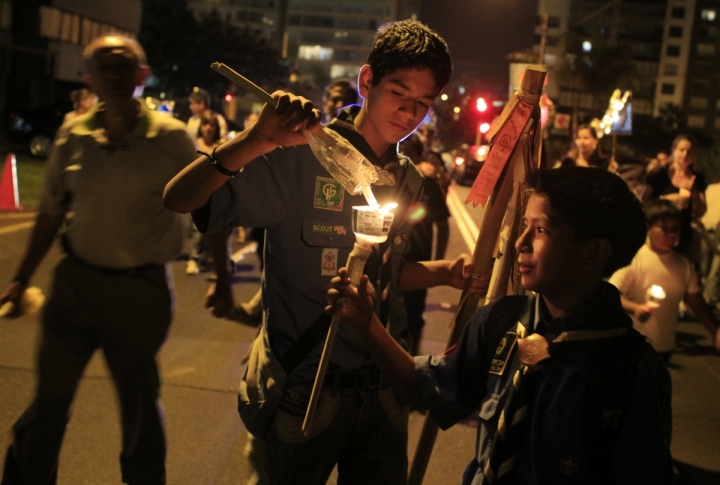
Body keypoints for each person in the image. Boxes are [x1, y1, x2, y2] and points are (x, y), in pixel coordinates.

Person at [164, 20, 472, 484]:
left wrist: (447, 272)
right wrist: (255, 141)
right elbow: (180, 198)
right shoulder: (298, 154)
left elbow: (386, 274)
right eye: (398, 94)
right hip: (305, 394)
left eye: (423, 105)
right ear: (367, 81)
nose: (409, 114)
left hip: (383, 393)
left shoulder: (408, 179)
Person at [330, 166, 674, 484]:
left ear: (592, 254)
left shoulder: (632, 370)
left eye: (540, 230)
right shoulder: (502, 321)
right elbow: (423, 389)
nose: (519, 243)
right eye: (523, 226)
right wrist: (367, 324)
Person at [0, 34, 196, 484]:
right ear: (89, 76)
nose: (112, 73)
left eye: (122, 65)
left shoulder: (172, 139)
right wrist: (21, 277)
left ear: (141, 75)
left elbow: (209, 203)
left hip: (139, 293)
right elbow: (51, 210)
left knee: (139, 405)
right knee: (49, 401)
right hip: (75, 286)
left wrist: (222, 279)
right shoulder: (73, 132)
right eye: (102, 65)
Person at [609, 199, 720, 365]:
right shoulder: (634, 259)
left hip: (664, 348)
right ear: (649, 228)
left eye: (675, 229)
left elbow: (697, 302)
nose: (671, 234)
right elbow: (611, 294)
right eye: (664, 228)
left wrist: (715, 331)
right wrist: (635, 308)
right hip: (631, 345)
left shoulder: (683, 264)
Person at [403, 159, 450, 355]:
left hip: (418, 262)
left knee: (412, 319)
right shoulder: (383, 175)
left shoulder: (427, 184)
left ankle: (408, 367)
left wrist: (436, 265)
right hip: (387, 262)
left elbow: (442, 225)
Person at [646, 134, 707, 259]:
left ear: (694, 156)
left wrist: (694, 191)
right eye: (682, 150)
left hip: (683, 235)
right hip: (659, 232)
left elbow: (701, 211)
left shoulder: (697, 178)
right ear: (674, 151)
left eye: (689, 151)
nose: (685, 154)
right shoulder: (660, 173)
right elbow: (644, 201)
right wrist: (666, 199)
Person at [187, 110, 226, 275]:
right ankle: (194, 258)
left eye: (211, 125)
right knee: (197, 228)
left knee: (218, 229)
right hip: (197, 192)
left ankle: (218, 262)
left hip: (217, 194)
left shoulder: (222, 145)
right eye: (205, 124)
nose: (208, 128)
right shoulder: (194, 144)